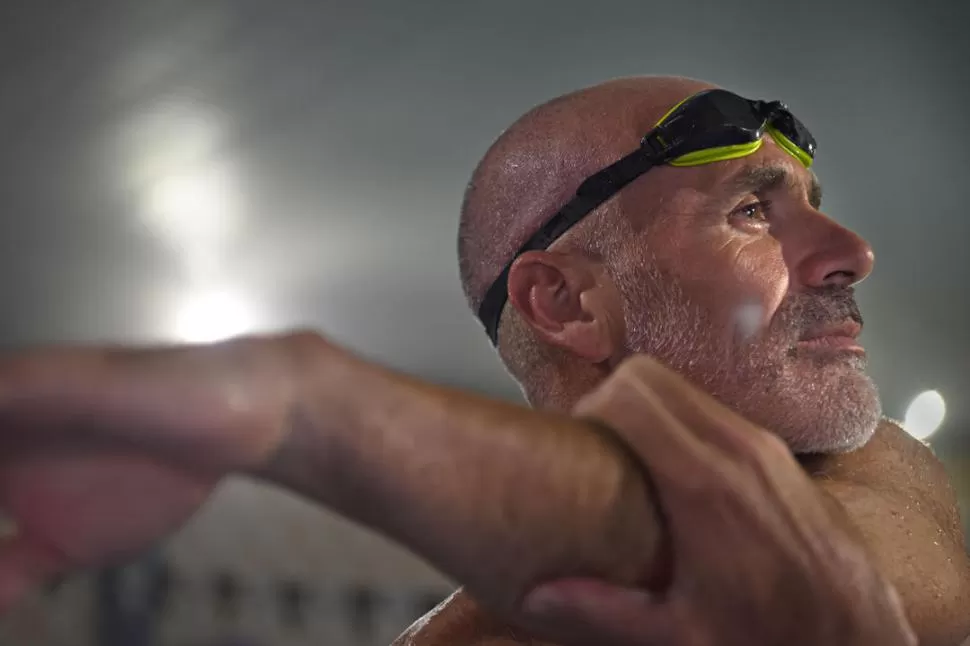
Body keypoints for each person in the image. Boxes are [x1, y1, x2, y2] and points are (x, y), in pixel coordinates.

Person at [0, 75, 965, 646]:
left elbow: (762, 549)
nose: (853, 249)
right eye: (753, 211)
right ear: (566, 302)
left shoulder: (887, 467)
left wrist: (303, 408)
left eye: (813, 201)